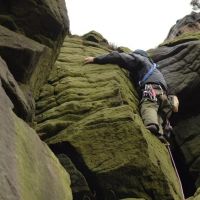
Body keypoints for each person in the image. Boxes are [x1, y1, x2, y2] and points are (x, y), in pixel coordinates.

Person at [84, 49, 174, 144]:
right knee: (159, 113)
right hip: (164, 96)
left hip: (152, 89)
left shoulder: (140, 59)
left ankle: (151, 124)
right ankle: (159, 135)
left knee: (148, 105)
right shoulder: (156, 70)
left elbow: (120, 57)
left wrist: (96, 59)